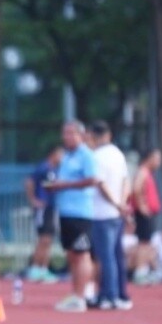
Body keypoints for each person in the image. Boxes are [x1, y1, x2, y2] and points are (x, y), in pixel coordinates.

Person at [45, 121, 97, 313]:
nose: (66, 137)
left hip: (80, 212)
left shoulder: (86, 155)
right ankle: (75, 293)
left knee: (82, 254)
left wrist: (64, 185)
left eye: (71, 133)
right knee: (72, 255)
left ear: (81, 135)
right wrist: (55, 186)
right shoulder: (66, 156)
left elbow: (92, 180)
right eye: (65, 133)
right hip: (66, 211)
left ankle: (81, 296)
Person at [87, 121, 131, 310]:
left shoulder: (96, 157)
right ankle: (121, 294)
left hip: (101, 213)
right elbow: (125, 180)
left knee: (105, 257)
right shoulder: (118, 154)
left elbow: (101, 184)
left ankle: (109, 295)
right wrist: (122, 203)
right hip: (116, 213)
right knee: (117, 255)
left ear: (93, 135)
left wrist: (115, 203)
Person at [24, 145, 62, 283]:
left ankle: (44, 269)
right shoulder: (43, 168)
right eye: (60, 154)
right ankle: (35, 268)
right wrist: (33, 200)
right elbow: (29, 182)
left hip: (51, 208)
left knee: (49, 239)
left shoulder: (55, 170)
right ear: (53, 154)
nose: (62, 157)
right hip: (43, 208)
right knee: (43, 239)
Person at [131, 149, 162, 284]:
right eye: (157, 159)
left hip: (148, 212)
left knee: (146, 242)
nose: (159, 162)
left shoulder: (148, 173)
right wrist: (142, 206)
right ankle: (140, 271)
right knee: (143, 243)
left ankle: (144, 270)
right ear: (149, 158)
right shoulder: (143, 172)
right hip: (143, 213)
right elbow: (136, 188)